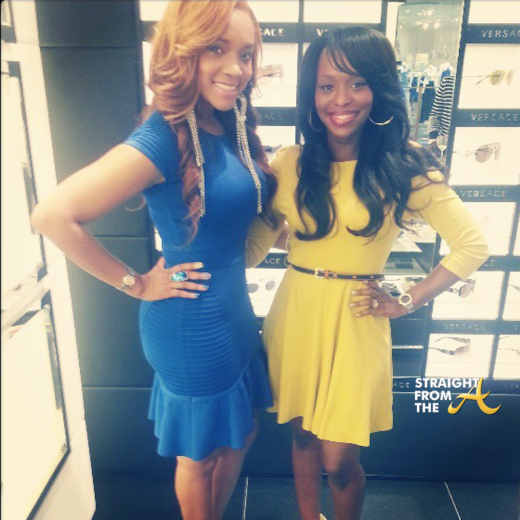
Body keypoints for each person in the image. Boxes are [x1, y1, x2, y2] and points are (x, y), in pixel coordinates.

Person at [31, 2, 280, 519]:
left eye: (246, 54)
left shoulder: (227, 121)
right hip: (191, 325)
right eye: (217, 49)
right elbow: (53, 215)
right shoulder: (163, 136)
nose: (237, 68)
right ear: (183, 51)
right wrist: (137, 283)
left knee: (242, 434)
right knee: (200, 456)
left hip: (234, 315)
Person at [246, 26, 489, 520]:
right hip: (296, 314)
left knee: (340, 461)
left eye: (357, 83)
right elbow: (250, 252)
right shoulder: (289, 164)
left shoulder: (404, 166)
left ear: (379, 89)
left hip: (357, 322)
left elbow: (472, 245)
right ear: (311, 95)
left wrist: (406, 300)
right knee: (302, 434)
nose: (341, 99)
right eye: (326, 85)